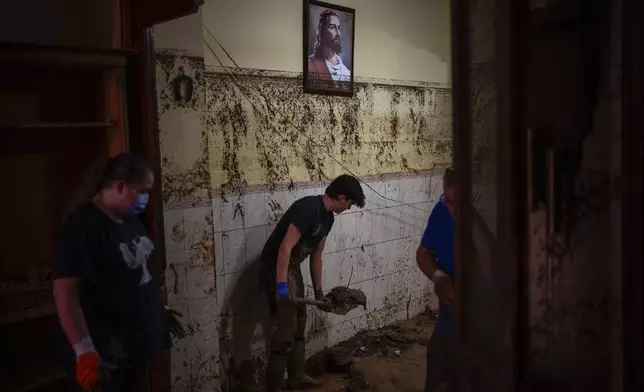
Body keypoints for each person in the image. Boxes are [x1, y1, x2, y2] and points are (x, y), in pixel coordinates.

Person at [53, 153, 182, 392]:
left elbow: (135, 274)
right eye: (142, 190)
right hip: (107, 352)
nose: (146, 198)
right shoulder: (81, 226)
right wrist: (84, 352)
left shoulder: (130, 220)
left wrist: (156, 309)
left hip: (135, 347)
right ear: (119, 186)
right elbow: (65, 293)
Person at [262, 174, 365, 391]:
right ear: (341, 196)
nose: (349, 208)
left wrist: (319, 292)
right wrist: (281, 287)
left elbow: (317, 255)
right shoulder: (308, 208)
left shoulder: (328, 219)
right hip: (277, 266)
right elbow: (284, 249)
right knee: (285, 331)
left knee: (300, 321)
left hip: (292, 267)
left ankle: (296, 377)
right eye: (350, 203)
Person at [416, 168, 457, 392]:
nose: (450, 208)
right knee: (439, 364)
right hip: (451, 306)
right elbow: (422, 254)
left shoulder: (491, 216)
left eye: (457, 203)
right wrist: (438, 277)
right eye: (447, 200)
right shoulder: (441, 211)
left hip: (486, 310)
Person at [308, 9, 351, 85]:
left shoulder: (346, 73)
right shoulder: (311, 65)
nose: (338, 33)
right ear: (322, 32)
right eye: (332, 27)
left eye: (339, 28)